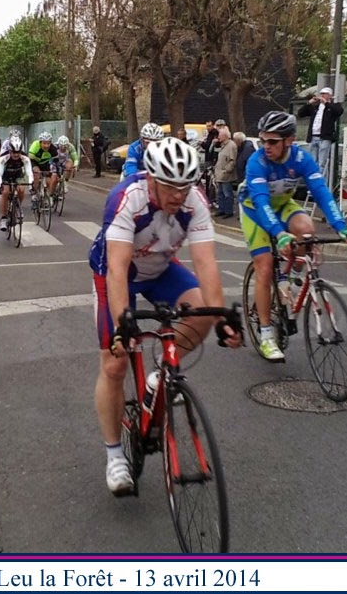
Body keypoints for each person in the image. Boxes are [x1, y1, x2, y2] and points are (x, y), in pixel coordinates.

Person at [89, 137, 241, 495]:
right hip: (118, 273)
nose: (178, 194)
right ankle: (115, 455)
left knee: (203, 309)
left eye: (185, 186)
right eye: (170, 186)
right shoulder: (127, 197)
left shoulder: (195, 202)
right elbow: (117, 268)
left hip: (159, 269)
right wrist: (123, 324)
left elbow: (205, 263)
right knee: (115, 362)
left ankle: (160, 375)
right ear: (152, 179)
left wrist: (223, 319)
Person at [239, 111, 347, 361]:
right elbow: (261, 201)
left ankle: (288, 278)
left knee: (306, 230)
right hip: (254, 210)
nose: (266, 146)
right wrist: (280, 233)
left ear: (289, 140)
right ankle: (266, 334)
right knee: (265, 267)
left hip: (283, 205)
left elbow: (321, 192)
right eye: (263, 140)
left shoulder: (302, 158)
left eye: (272, 141)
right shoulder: (257, 162)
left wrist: (341, 227)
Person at [298, 86, 344, 172]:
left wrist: (326, 103)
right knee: (312, 161)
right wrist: (309, 103)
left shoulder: (333, 106)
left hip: (324, 137)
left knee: (321, 163)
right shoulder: (316, 107)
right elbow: (300, 113)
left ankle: (320, 178)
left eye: (325, 94)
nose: (322, 95)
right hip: (313, 136)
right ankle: (313, 176)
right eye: (321, 94)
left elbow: (338, 111)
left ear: (330, 95)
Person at [0, 137, 34, 231]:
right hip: (5, 175)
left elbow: (29, 172)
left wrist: (31, 184)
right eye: (14, 152)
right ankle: (4, 218)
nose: (16, 154)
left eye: (18, 152)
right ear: (10, 151)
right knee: (5, 192)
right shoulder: (3, 159)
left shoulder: (25, 158)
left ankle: (17, 206)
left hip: (18, 175)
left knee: (21, 189)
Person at [28, 131, 62, 203]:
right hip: (35, 162)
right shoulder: (35, 145)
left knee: (50, 180)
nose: (46, 146)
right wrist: (37, 160)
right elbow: (30, 156)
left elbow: (56, 162)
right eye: (44, 143)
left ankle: (48, 196)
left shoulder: (53, 148)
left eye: (48, 143)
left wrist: (58, 173)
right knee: (37, 173)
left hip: (46, 163)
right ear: (40, 142)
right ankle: (34, 193)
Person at [213, 127, 238, 219]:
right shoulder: (223, 145)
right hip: (220, 174)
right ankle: (222, 209)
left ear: (225, 136)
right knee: (220, 193)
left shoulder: (231, 146)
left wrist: (226, 170)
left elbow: (232, 160)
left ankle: (228, 211)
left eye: (220, 135)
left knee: (227, 194)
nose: (218, 137)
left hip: (226, 175)